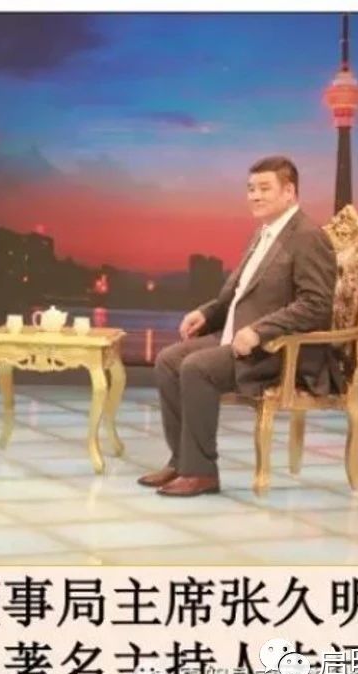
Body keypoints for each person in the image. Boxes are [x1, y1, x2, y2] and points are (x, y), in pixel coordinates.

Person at [141, 156, 339, 497]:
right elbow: (237, 294)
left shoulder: (307, 236)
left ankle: (201, 473)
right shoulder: (264, 233)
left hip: (278, 350)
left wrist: (261, 331)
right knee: (168, 360)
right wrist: (207, 314)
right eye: (250, 189)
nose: (255, 196)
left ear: (289, 192)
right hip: (238, 338)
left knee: (197, 367)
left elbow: (316, 305)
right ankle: (182, 461)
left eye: (264, 188)